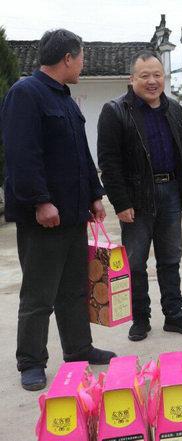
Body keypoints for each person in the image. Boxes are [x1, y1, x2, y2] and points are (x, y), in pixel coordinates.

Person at [1, 29, 116, 391]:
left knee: (74, 289)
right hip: (43, 218)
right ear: (68, 57)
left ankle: (78, 349)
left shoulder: (65, 99)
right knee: (39, 294)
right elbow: (21, 154)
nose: (83, 65)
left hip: (73, 213)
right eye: (81, 58)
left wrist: (94, 195)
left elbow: (81, 153)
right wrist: (40, 200)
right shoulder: (26, 93)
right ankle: (31, 362)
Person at [98, 50, 182, 342]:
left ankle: (174, 314)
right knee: (135, 262)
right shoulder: (115, 111)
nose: (152, 81)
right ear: (132, 79)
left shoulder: (173, 108)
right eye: (145, 76)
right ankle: (140, 318)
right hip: (136, 196)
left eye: (157, 75)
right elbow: (108, 162)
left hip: (171, 191)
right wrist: (121, 202)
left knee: (170, 258)